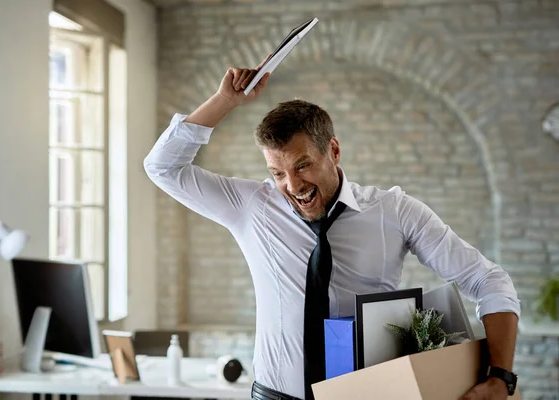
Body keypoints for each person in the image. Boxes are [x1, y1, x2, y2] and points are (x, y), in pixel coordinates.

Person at [143, 57, 521, 400]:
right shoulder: (253, 207)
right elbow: (163, 168)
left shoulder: (395, 211)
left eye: (303, 165)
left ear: (334, 152)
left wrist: (500, 377)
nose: (292, 186)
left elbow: (488, 279)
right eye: (277, 173)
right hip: (273, 396)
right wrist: (224, 100)